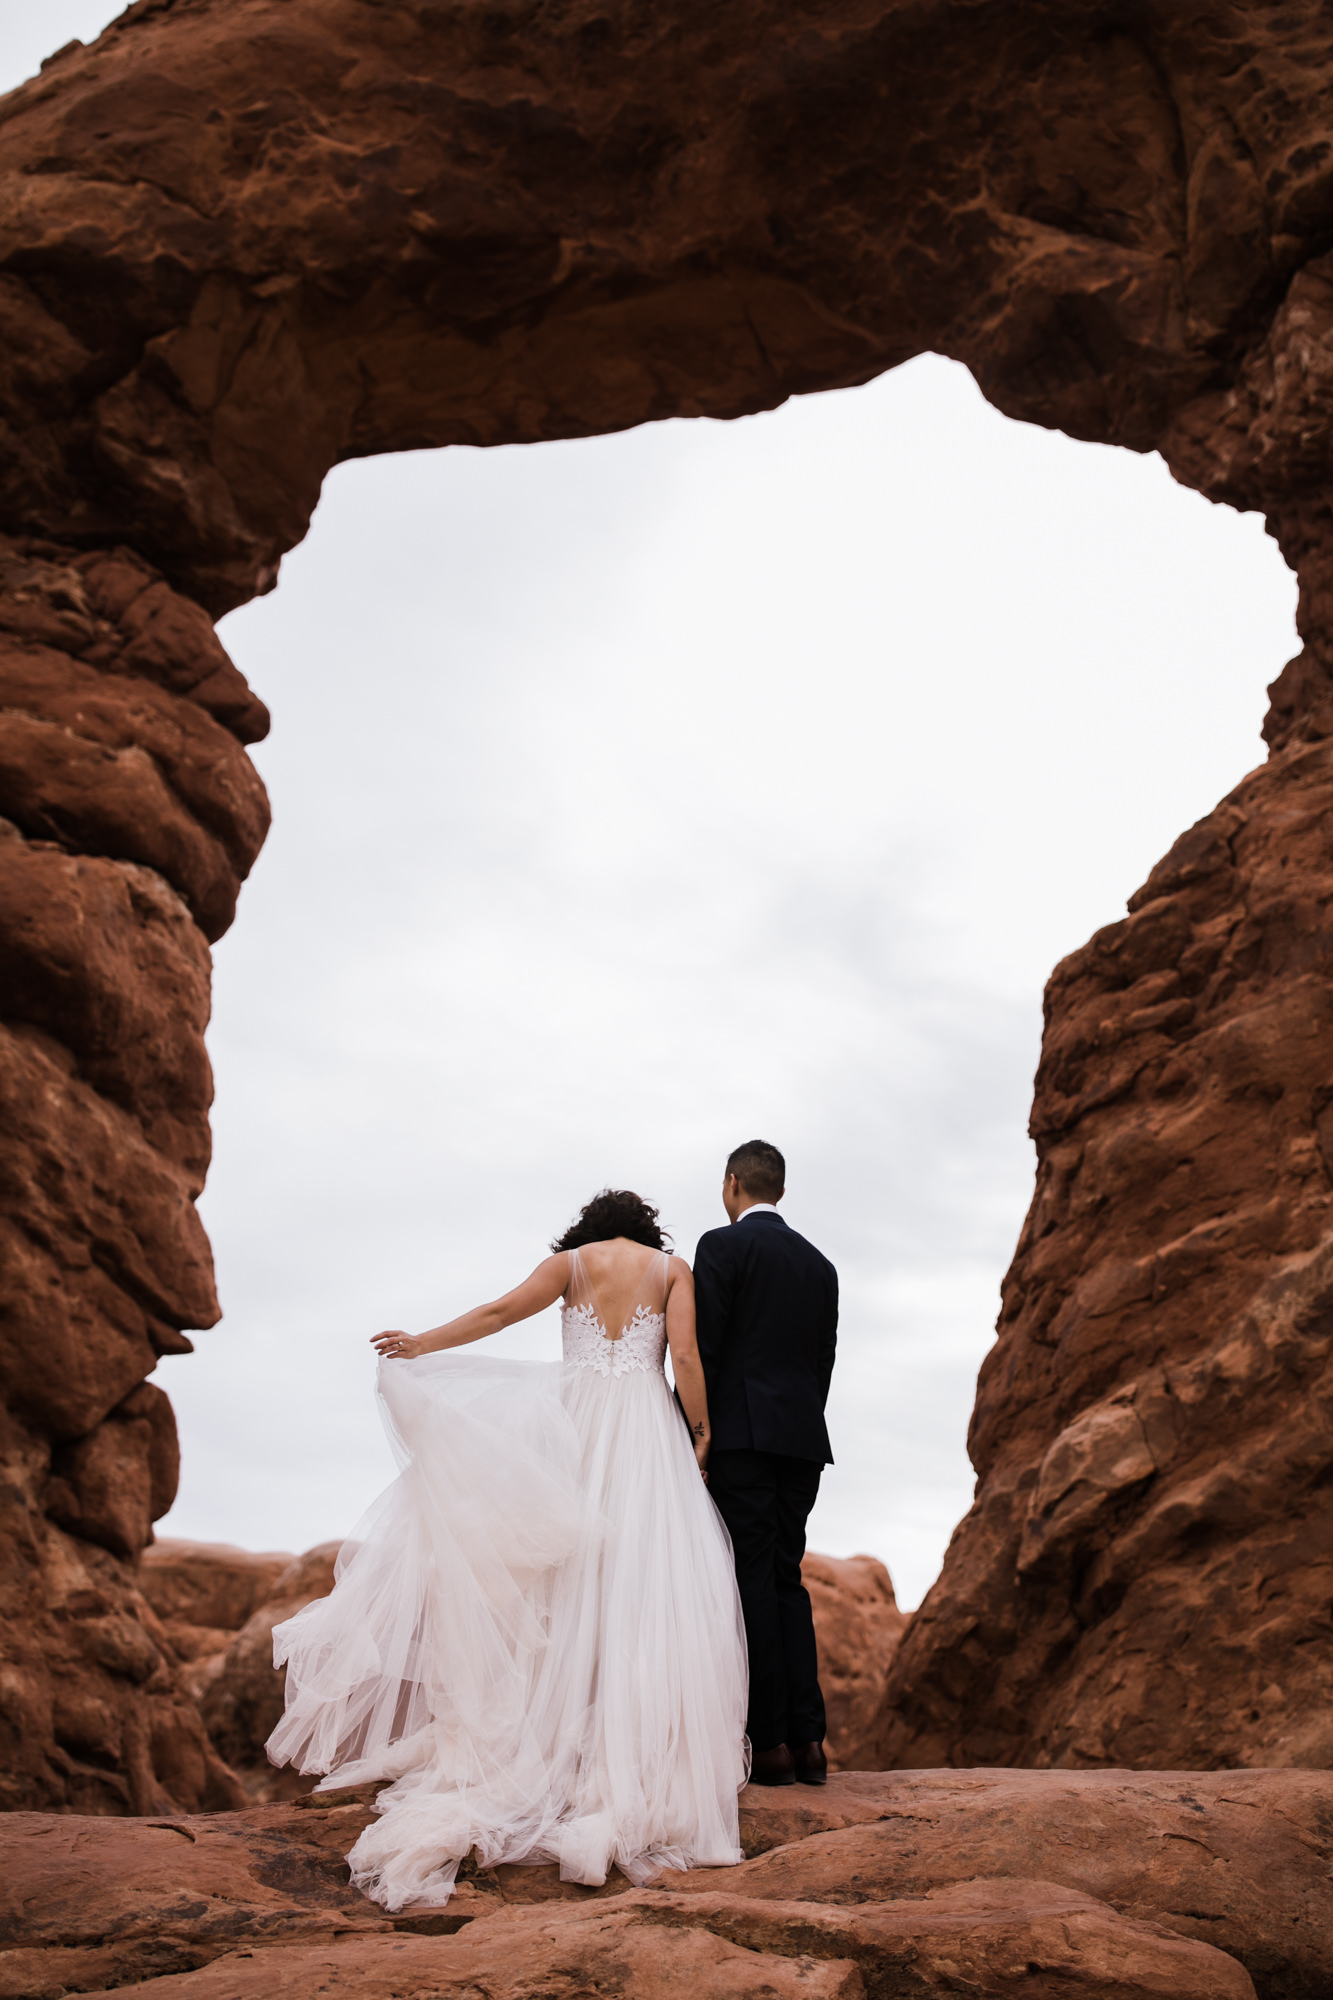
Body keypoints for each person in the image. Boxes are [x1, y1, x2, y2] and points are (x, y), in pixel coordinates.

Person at [265, 1190, 748, 1911]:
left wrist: (423, 1343)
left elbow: (498, 1313)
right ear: (646, 1230)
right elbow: (682, 1353)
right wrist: (700, 1432)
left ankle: (542, 1736)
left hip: (577, 1425)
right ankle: (614, 1746)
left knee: (557, 1575)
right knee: (643, 1579)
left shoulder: (571, 1264)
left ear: (589, 1228)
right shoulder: (672, 1268)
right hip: (646, 1432)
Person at [693, 1141, 838, 1787]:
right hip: (802, 1438)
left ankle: (769, 1744)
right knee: (786, 1578)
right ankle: (810, 1742)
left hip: (741, 1436)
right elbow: (822, 1363)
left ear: (732, 1185)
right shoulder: (820, 1265)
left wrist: (695, 1430)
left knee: (749, 1578)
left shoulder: (720, 1248)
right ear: (777, 1189)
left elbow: (707, 1346)